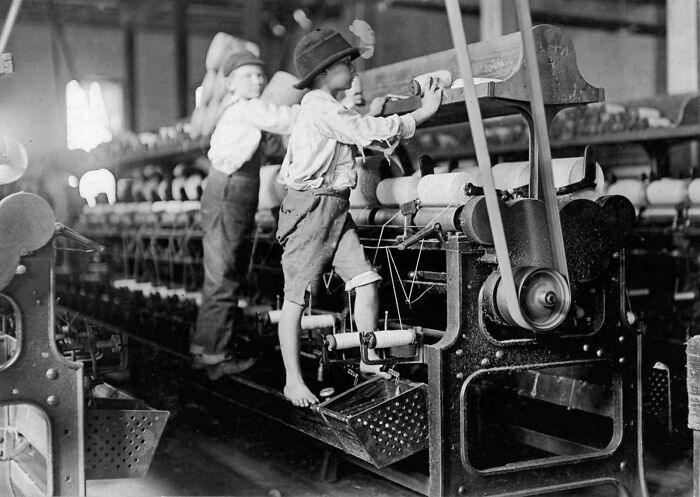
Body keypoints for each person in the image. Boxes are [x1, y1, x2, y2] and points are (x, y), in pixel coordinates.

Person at [277, 28, 443, 406]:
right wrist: (422, 113)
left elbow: (363, 130)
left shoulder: (330, 107)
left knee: (366, 281)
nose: (354, 70)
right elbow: (365, 131)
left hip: (334, 207)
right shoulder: (320, 106)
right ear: (323, 73)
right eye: (346, 64)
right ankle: (292, 380)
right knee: (296, 300)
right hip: (310, 209)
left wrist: (385, 117)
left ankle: (368, 358)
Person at [191, 50, 298, 380]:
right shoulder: (248, 108)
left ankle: (204, 349)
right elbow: (287, 119)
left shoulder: (238, 110)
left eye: (259, 75)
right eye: (248, 75)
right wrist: (324, 106)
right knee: (224, 276)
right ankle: (217, 359)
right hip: (230, 192)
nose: (257, 80)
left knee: (221, 274)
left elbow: (271, 144)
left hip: (228, 190)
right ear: (230, 83)